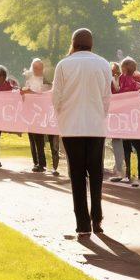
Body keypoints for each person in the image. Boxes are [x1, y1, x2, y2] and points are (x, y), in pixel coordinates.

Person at [52, 28, 112, 237]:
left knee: (77, 175)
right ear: (91, 44)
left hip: (72, 127)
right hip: (95, 126)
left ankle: (83, 224)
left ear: (73, 43)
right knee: (96, 174)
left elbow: (56, 97)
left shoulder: (64, 64)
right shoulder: (103, 64)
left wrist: (63, 116)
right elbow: (107, 97)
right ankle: (97, 218)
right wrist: (100, 116)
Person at [115, 57, 140, 186]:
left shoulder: (124, 79)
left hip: (126, 119)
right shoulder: (125, 79)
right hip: (132, 120)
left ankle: (131, 175)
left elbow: (136, 85)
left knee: (130, 148)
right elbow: (134, 87)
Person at [22, 59, 58, 174]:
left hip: (46, 114)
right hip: (32, 114)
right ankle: (38, 163)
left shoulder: (47, 81)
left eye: (39, 68)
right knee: (34, 140)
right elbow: (24, 96)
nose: (37, 70)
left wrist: (30, 93)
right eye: (35, 67)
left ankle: (54, 166)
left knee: (52, 140)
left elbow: (46, 95)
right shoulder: (28, 81)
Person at [107, 61, 126, 181]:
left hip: (117, 114)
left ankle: (119, 168)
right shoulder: (109, 80)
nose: (114, 73)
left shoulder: (122, 80)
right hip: (108, 112)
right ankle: (117, 167)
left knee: (116, 140)